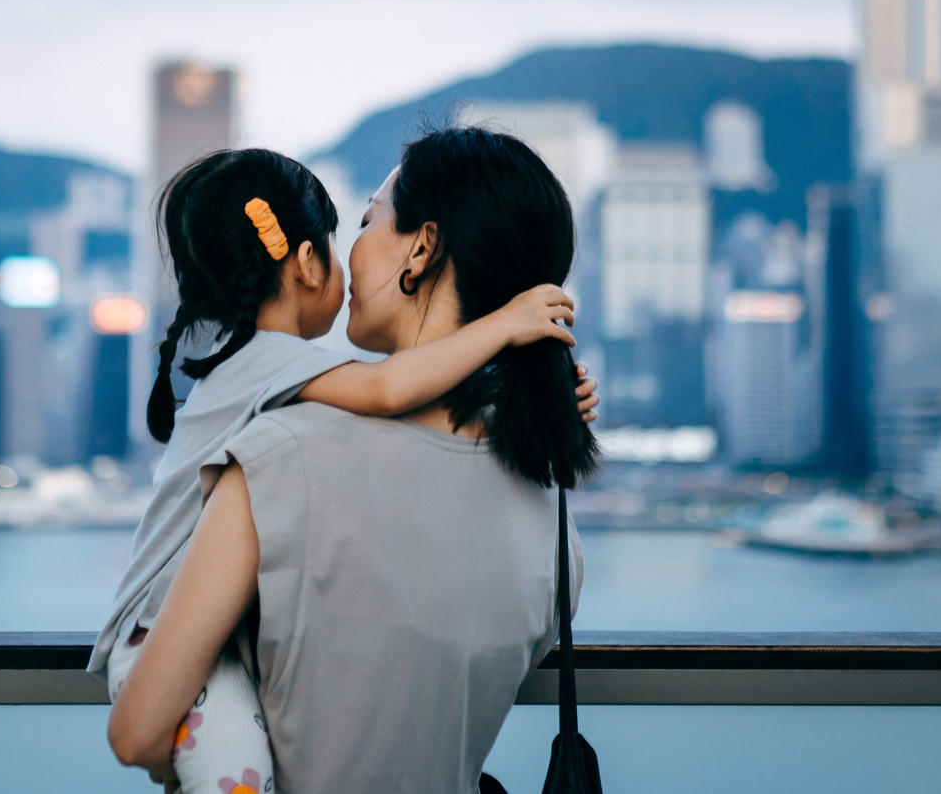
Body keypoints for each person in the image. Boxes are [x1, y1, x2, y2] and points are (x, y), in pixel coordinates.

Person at [110, 127, 600, 794]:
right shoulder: (552, 523)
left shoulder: (277, 460)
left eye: (367, 219)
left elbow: (137, 732)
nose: (352, 251)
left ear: (421, 248)